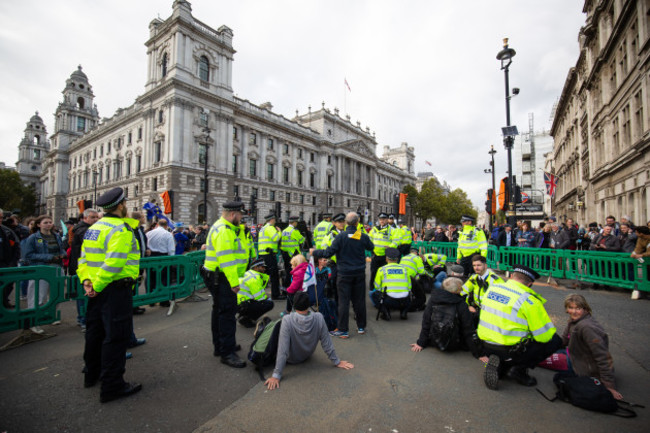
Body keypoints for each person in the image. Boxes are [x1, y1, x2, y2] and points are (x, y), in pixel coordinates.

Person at [77, 187, 142, 403]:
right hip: (113, 288)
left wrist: (87, 282)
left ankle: (91, 374)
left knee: (95, 333)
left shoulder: (94, 228)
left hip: (95, 289)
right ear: (121, 205)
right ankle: (112, 385)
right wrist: (98, 284)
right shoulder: (121, 229)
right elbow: (114, 262)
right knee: (116, 336)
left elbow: (83, 259)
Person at [478, 265, 562, 390]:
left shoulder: (492, 289)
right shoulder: (529, 300)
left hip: (485, 344)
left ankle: (501, 366)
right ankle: (518, 369)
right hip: (510, 349)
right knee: (554, 340)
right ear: (530, 284)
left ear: (511, 277)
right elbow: (544, 336)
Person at [265, 291, 354, 390]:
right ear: (308, 305)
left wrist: (276, 375)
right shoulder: (319, 317)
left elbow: (283, 349)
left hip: (290, 358)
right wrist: (337, 361)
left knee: (275, 329)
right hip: (306, 355)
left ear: (294, 305)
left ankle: (263, 328)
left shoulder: (287, 319)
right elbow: (326, 342)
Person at [202, 201, 249, 368]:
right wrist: (234, 282)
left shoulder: (226, 227)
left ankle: (221, 345)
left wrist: (241, 230)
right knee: (227, 314)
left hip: (218, 276)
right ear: (232, 215)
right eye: (240, 215)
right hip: (222, 277)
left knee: (219, 311)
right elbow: (226, 259)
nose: (242, 218)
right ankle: (227, 352)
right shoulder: (224, 230)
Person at [311, 212, 374, 338]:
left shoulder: (341, 237)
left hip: (344, 273)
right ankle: (361, 327)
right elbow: (371, 247)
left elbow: (328, 252)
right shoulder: (362, 235)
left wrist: (314, 252)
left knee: (343, 301)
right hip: (359, 272)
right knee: (359, 300)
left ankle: (343, 330)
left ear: (346, 222)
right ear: (357, 223)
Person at [560, 294, 622, 400]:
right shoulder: (574, 321)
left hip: (580, 365)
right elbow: (564, 340)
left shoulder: (587, 327)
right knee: (543, 351)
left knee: (541, 359)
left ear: (585, 308)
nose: (574, 312)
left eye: (578, 308)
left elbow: (603, 357)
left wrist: (609, 386)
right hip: (574, 354)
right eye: (570, 308)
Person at [410, 276, 480, 356]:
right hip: (455, 343)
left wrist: (421, 343)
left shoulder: (433, 299)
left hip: (435, 339)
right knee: (473, 316)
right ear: (456, 290)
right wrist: (478, 353)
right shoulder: (461, 304)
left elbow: (426, 321)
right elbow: (468, 328)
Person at [22, 214, 66, 332]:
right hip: (41, 270)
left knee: (56, 295)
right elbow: (28, 255)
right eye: (45, 222)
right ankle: (34, 322)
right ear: (38, 224)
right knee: (37, 297)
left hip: (57, 269)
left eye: (50, 222)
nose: (48, 224)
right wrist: (49, 257)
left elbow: (61, 248)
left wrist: (63, 254)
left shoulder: (56, 236)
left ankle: (51, 316)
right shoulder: (33, 238)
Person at [68, 208, 100, 330]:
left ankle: (85, 319)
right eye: (93, 217)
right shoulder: (84, 230)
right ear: (84, 218)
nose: (96, 219)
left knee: (87, 294)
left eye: (97, 217)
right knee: (84, 294)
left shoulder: (86, 229)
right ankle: (83, 319)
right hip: (83, 268)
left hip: (86, 266)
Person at [371, 248, 412, 320]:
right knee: (409, 293)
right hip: (404, 301)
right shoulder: (404, 269)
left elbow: (377, 286)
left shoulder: (382, 269)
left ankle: (386, 313)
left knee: (373, 294)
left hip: (389, 301)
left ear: (386, 259)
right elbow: (409, 286)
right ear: (397, 259)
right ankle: (404, 312)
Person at [460, 254, 504, 321]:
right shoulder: (474, 278)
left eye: (479, 265)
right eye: (474, 265)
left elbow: (501, 302)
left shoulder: (496, 280)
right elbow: (462, 292)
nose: (476, 268)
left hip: (491, 312)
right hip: (477, 309)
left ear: (485, 266)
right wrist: (467, 306)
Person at [146, 219, 176, 307]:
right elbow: (171, 249)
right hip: (163, 257)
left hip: (151, 257)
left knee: (151, 278)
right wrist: (172, 260)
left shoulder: (149, 233)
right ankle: (164, 300)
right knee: (164, 279)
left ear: (158, 224)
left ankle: (151, 300)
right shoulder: (168, 234)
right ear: (166, 226)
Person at [236, 258, 274, 328]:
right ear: (256, 267)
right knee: (269, 304)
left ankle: (244, 315)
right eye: (262, 267)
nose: (264, 269)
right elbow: (259, 297)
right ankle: (246, 319)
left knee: (263, 302)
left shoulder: (249, 273)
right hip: (244, 304)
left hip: (239, 303)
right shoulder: (254, 277)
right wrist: (267, 299)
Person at [318, 213, 346, 301]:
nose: (341, 224)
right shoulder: (330, 235)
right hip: (335, 263)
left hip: (347, 264)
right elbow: (324, 247)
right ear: (334, 223)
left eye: (342, 222)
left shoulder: (349, 232)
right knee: (334, 282)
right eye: (339, 222)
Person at [258, 213, 284, 300]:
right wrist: (279, 231)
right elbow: (276, 238)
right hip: (269, 255)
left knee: (264, 275)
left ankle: (259, 294)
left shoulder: (263, 228)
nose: (275, 222)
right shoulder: (270, 228)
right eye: (275, 220)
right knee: (274, 275)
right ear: (272, 219)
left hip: (263, 254)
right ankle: (276, 295)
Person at [368, 212, 397, 291]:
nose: (382, 221)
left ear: (387, 220)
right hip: (375, 255)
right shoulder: (374, 229)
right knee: (373, 273)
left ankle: (385, 289)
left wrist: (390, 246)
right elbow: (369, 239)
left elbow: (396, 241)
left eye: (384, 219)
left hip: (386, 256)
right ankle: (372, 289)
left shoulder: (392, 230)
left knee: (385, 274)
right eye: (380, 219)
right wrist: (370, 247)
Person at [0, 209, 21, 309]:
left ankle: (4, 302)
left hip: (6, 265)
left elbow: (16, 247)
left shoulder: (7, 231)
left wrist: (13, 263)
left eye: (1, 217)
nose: (0, 220)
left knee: (8, 286)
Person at [400, 246, 427, 311]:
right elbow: (422, 272)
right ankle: (411, 307)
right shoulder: (417, 258)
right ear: (416, 253)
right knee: (421, 297)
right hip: (409, 278)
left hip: (400, 277)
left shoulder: (403, 257)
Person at [280, 216, 304, 288]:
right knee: (294, 271)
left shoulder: (284, 231)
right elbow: (301, 240)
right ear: (294, 222)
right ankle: (291, 286)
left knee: (287, 270)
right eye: (296, 222)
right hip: (293, 253)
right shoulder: (294, 231)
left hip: (285, 253)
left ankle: (285, 286)